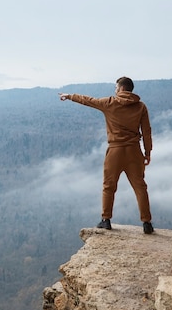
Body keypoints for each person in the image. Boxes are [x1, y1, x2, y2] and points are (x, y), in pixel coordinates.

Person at [59, 77, 154, 234]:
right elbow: (147, 131)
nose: (115, 90)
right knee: (140, 187)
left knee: (109, 186)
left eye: (116, 87)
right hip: (134, 151)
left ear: (122, 88)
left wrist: (69, 96)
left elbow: (88, 100)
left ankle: (106, 220)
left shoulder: (110, 103)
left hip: (115, 151)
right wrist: (147, 152)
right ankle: (147, 223)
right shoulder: (141, 107)